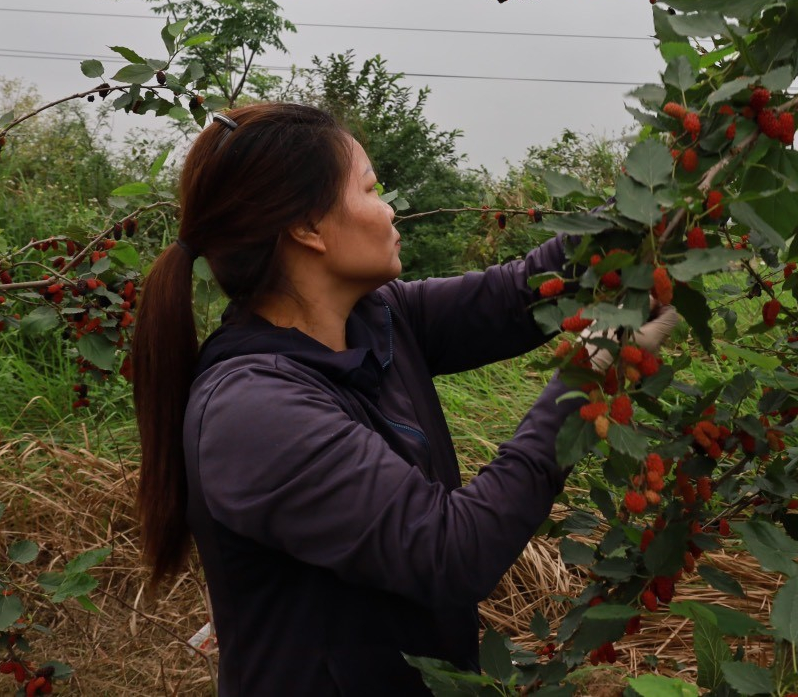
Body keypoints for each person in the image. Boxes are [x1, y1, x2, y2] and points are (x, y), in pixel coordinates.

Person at [128, 103, 678, 695]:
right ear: (308, 227)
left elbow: (522, 290)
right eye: (370, 188)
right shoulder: (253, 412)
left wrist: (665, 191)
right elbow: (452, 551)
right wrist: (586, 374)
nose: (390, 209)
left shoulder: (379, 320)